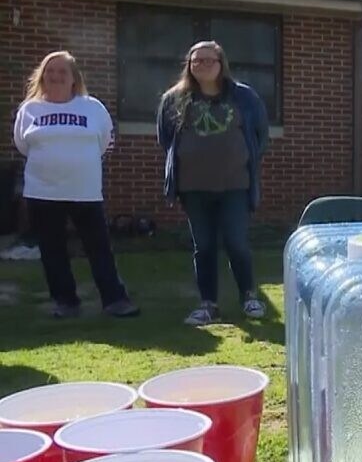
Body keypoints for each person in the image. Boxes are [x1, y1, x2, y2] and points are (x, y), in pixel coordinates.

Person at [12, 51, 140, 318]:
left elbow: (105, 142)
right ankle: (66, 302)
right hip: (43, 192)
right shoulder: (30, 109)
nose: (56, 76)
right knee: (52, 250)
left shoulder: (92, 107)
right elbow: (22, 145)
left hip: (85, 192)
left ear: (74, 78)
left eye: (62, 72)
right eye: (50, 71)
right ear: (42, 76)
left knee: (99, 248)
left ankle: (115, 300)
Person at [156, 41, 269, 326]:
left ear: (222, 64)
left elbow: (260, 136)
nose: (202, 65)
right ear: (189, 65)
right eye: (196, 61)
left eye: (209, 60)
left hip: (235, 186)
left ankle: (249, 296)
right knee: (203, 246)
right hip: (193, 189)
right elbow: (166, 138)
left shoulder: (244, 97)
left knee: (236, 242)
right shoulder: (174, 99)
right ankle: (208, 304)